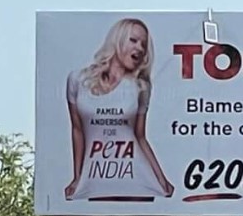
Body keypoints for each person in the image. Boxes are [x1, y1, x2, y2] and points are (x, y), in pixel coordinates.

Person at [64, 17, 173, 201]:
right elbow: (77, 130)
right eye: (133, 40)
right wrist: (77, 178)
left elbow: (140, 136)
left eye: (143, 45)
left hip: (135, 175)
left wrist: (161, 179)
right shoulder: (77, 79)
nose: (139, 48)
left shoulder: (140, 86)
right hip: (96, 176)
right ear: (118, 39)